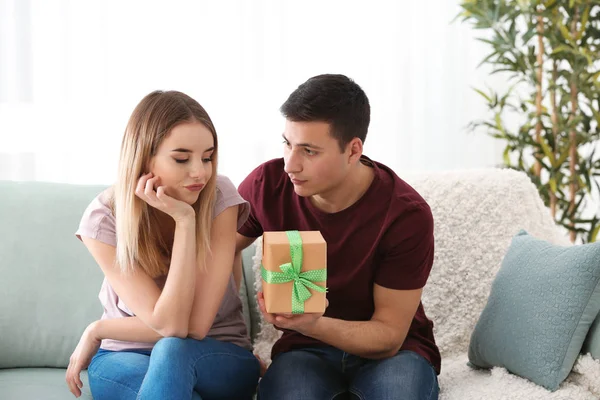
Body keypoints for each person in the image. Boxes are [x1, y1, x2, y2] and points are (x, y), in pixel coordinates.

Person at [235, 74, 441, 400]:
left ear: (353, 150)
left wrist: (310, 323)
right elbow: (214, 252)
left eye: (309, 151)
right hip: (305, 351)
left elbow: (388, 335)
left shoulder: (405, 214)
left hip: (394, 353)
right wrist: (234, 345)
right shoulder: (268, 185)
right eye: (287, 143)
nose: (291, 164)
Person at [65, 90, 260, 400]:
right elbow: (170, 323)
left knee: (172, 351)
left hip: (217, 353)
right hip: (125, 356)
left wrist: (98, 329)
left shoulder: (219, 197)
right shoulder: (103, 219)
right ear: (144, 158)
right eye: (182, 158)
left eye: (207, 157)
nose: (200, 172)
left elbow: (190, 328)